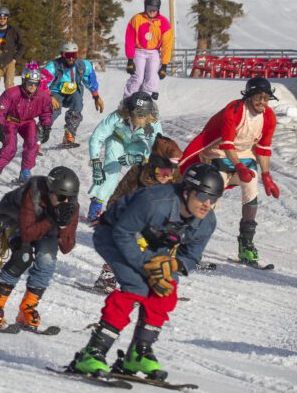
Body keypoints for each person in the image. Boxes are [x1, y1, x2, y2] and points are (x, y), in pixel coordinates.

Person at [68, 164, 223, 379]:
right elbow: (122, 233)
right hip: (114, 233)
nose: (207, 204)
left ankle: (138, 353)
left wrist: (172, 267)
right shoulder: (154, 201)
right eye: (202, 196)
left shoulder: (206, 221)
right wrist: (146, 267)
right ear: (187, 191)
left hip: (151, 243)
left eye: (213, 199)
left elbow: (191, 256)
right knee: (136, 287)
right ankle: (92, 352)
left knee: (166, 289)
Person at [177, 77, 280, 267]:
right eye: (259, 97)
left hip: (244, 155)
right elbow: (226, 143)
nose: (262, 102)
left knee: (252, 186)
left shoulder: (269, 117)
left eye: (266, 98)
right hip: (219, 152)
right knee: (210, 197)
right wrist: (239, 167)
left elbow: (264, 148)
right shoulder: (235, 109)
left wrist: (266, 175)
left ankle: (246, 245)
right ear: (249, 96)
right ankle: (188, 246)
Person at [0, 166, 80, 331]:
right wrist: (51, 218)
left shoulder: (71, 206)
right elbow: (27, 234)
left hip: (43, 225)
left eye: (71, 197)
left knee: (47, 259)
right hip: (13, 219)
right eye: (62, 197)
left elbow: (67, 247)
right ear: (50, 191)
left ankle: (27, 309)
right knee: (23, 257)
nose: (66, 201)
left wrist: (62, 224)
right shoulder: (33, 193)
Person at [92, 135, 182, 291]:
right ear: (154, 166)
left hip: (160, 224)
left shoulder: (176, 180)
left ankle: (160, 282)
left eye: (170, 172)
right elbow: (116, 199)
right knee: (127, 242)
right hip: (132, 221)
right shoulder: (138, 173)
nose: (166, 175)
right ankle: (108, 277)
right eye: (163, 170)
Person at [87, 92, 161, 222]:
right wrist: (96, 163)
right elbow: (96, 137)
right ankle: (96, 205)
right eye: (136, 113)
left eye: (143, 114)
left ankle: (138, 209)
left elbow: (156, 148)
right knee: (112, 168)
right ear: (129, 110)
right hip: (118, 140)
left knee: (142, 170)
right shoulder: (118, 117)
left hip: (137, 145)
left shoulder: (151, 124)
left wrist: (140, 159)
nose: (140, 118)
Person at [0, 68, 52, 190]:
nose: (32, 86)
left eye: (35, 84)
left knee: (33, 143)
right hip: (11, 120)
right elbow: (0, 110)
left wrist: (46, 127)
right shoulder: (12, 93)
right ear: (24, 81)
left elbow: (46, 112)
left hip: (28, 121)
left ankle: (25, 172)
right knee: (10, 148)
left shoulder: (43, 96)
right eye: (29, 83)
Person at [40, 41, 105, 146]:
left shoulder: (82, 65)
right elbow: (42, 81)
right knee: (53, 109)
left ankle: (69, 134)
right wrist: (49, 96)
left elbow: (90, 80)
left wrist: (96, 96)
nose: (71, 58)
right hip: (55, 93)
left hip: (72, 92)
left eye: (73, 55)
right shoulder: (53, 66)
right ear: (62, 55)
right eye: (68, 55)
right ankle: (37, 138)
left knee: (78, 102)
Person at [124, 0, 174, 101]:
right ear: (145, 7)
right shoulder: (137, 19)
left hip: (153, 52)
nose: (152, 11)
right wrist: (130, 60)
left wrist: (164, 65)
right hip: (139, 51)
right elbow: (130, 40)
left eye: (155, 9)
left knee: (152, 75)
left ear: (158, 9)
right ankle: (128, 99)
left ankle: (146, 97)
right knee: (138, 77)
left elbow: (167, 45)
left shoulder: (164, 23)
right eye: (149, 8)